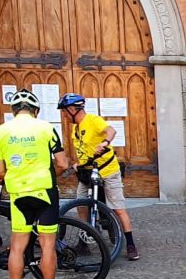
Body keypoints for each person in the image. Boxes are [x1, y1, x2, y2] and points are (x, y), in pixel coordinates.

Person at [0, 89, 69, 279]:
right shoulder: (46, 128)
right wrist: (52, 174)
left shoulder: (1, 132)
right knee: (47, 244)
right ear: (35, 110)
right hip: (44, 190)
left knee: (17, 245)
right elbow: (62, 163)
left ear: (13, 110)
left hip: (18, 193)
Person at [56, 93, 140, 261]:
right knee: (80, 204)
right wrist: (78, 163)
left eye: (65, 111)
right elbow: (83, 149)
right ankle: (83, 241)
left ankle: (130, 244)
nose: (64, 115)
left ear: (73, 109)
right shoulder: (75, 128)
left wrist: (105, 142)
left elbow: (111, 130)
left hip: (107, 169)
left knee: (118, 208)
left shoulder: (93, 120)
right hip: (86, 171)